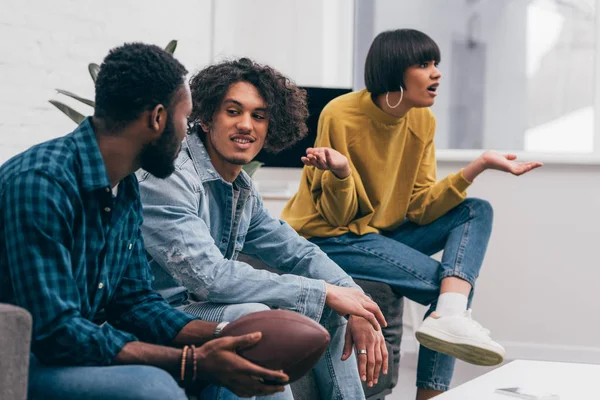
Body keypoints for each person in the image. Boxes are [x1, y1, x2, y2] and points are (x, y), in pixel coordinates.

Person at [0, 43, 290, 400]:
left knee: (239, 368)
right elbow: (57, 332)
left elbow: (135, 303)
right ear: (157, 118)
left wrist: (225, 335)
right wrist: (191, 362)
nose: (187, 134)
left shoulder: (125, 188)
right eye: (185, 120)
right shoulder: (41, 183)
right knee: (152, 388)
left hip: (74, 349)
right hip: (23, 360)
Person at [281, 29, 543, 400]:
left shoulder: (422, 120)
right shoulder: (341, 114)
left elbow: (420, 206)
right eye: (424, 64)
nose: (436, 73)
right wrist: (341, 173)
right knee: (448, 289)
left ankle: (450, 314)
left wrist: (479, 165)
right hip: (331, 237)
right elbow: (337, 216)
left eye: (436, 64)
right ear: (394, 70)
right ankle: (432, 389)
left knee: (475, 211)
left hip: (381, 234)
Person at [137, 58, 388, 400]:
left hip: (203, 305)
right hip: (163, 315)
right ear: (207, 117)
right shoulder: (170, 176)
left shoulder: (240, 188)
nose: (246, 125)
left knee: (332, 306)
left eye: (258, 116)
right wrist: (324, 292)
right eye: (233, 111)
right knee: (257, 318)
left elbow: (296, 251)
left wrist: (354, 299)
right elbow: (210, 277)